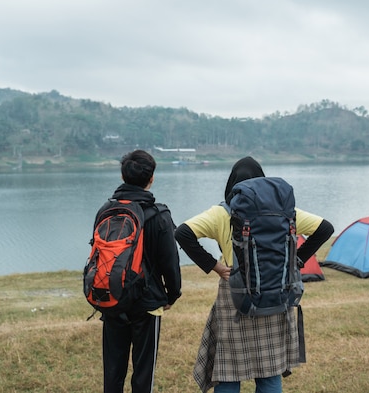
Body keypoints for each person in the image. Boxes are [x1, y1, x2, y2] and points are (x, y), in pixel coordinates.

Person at [174, 156, 334, 393]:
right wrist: (295, 261)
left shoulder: (221, 213)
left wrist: (215, 267)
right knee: (269, 374)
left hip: (235, 297)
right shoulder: (284, 211)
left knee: (228, 373)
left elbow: (183, 233)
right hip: (276, 294)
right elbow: (325, 229)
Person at [93, 150, 182, 393]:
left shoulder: (105, 211)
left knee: (113, 370)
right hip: (147, 303)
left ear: (123, 176)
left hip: (112, 297)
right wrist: (172, 295)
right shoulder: (159, 215)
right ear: (151, 178)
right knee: (143, 373)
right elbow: (170, 262)